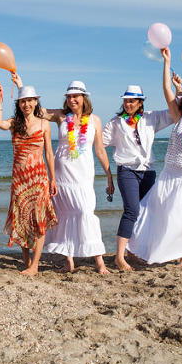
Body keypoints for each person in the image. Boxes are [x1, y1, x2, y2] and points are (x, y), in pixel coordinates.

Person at [127, 49, 182, 268]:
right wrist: (167, 61)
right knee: (170, 216)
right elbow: (166, 89)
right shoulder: (178, 117)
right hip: (171, 174)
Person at [36, 78, 114, 274]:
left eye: (75, 96)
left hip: (83, 174)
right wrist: (22, 86)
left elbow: (101, 151)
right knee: (63, 215)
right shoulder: (61, 116)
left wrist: (109, 175)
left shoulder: (95, 120)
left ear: (84, 97)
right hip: (62, 174)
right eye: (69, 96)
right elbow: (38, 111)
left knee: (85, 212)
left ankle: (100, 262)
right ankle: (69, 261)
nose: (72, 100)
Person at [102, 81, 182, 271]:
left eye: (133, 101)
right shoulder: (116, 123)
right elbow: (99, 143)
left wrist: (178, 91)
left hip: (148, 171)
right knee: (132, 210)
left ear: (140, 103)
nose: (128, 104)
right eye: (126, 101)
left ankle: (135, 252)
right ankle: (119, 257)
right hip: (127, 170)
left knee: (147, 212)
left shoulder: (151, 118)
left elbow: (174, 114)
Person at [0, 81, 58, 275]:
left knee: (38, 219)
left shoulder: (44, 123)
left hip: (39, 179)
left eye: (30, 100)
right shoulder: (14, 123)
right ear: (19, 104)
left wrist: (53, 178)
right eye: (23, 101)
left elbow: (48, 153)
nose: (26, 104)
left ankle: (35, 265)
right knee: (21, 219)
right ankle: (27, 260)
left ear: (36, 102)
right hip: (19, 180)